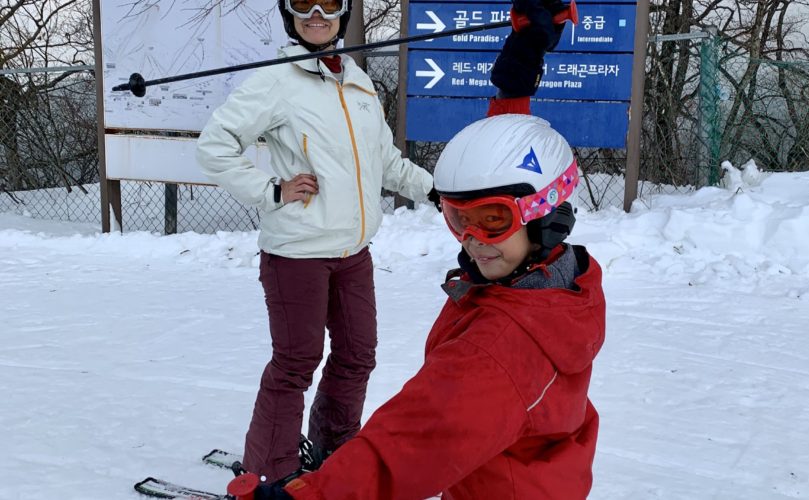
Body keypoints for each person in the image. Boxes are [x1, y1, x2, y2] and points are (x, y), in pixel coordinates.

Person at [234, 1, 606, 497]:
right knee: (297, 361)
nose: (473, 240)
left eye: (491, 221)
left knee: (355, 356)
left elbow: (408, 447)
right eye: (458, 219)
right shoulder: (560, 286)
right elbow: (508, 176)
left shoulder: (495, 352)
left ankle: (324, 456)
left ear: (549, 216)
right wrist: (517, 78)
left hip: (496, 486)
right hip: (530, 478)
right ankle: (273, 462)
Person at [195, 0, 436, 484]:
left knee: (357, 354)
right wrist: (271, 190)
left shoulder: (359, 81)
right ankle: (270, 475)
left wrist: (439, 190)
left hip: (352, 251)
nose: (318, 13)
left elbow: (384, 160)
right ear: (289, 13)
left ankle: (334, 452)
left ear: (344, 14)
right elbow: (214, 145)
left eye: (330, 3)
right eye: (304, 4)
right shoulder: (276, 80)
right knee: (295, 363)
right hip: (297, 252)